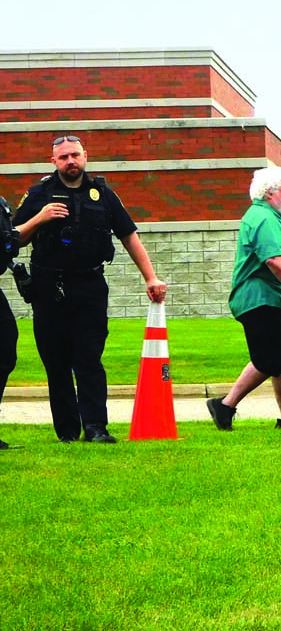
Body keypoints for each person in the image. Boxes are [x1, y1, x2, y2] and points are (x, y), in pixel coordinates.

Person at [13, 134, 167, 443]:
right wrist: (40, 219)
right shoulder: (38, 194)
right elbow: (14, 238)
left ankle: (96, 427)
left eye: (75, 155)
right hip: (48, 288)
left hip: (90, 287)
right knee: (56, 363)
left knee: (89, 359)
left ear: (86, 156)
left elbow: (129, 235)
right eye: (63, 157)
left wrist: (151, 277)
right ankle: (67, 432)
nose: (70, 161)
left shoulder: (103, 194)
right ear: (53, 161)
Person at [205, 167, 281, 431]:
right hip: (262, 299)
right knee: (270, 359)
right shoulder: (263, 218)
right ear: (270, 193)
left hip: (278, 300)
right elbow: (274, 260)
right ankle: (225, 405)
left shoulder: (272, 218)